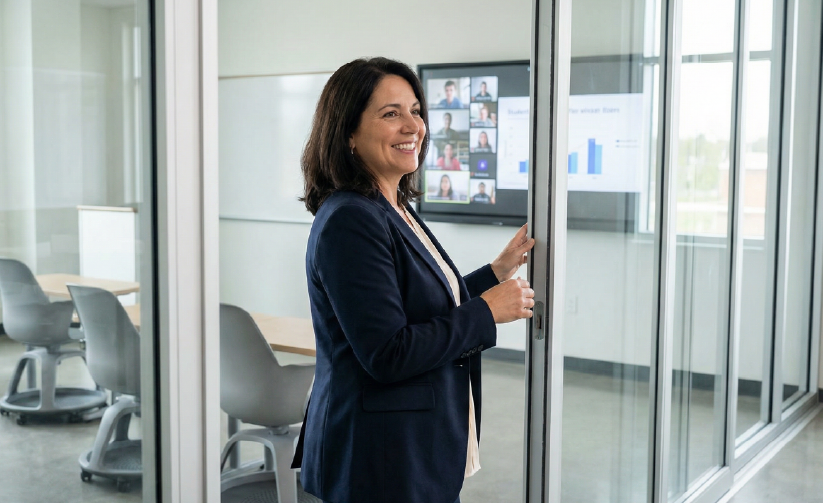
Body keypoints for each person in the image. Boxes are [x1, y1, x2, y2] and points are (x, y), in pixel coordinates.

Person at [294, 57, 535, 503]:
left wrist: (493, 275)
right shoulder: (351, 219)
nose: (414, 126)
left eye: (416, 110)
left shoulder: (393, 206)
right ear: (348, 133)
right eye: (391, 114)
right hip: (379, 456)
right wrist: (487, 311)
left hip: (408, 446)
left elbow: (415, 303)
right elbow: (387, 352)